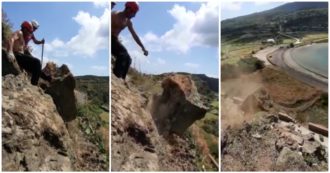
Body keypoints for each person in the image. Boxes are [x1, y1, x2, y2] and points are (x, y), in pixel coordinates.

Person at [111, 2, 148, 82]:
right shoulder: (114, 15)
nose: (134, 16)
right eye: (133, 13)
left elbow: (135, 35)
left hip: (115, 40)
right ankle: (116, 76)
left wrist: (143, 48)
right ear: (128, 9)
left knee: (128, 59)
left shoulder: (128, 21)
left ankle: (122, 78)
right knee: (123, 54)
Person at [7, 20, 51, 85]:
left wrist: (41, 42)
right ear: (25, 29)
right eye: (28, 31)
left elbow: (35, 41)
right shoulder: (19, 32)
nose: (29, 32)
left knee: (35, 68)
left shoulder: (29, 34)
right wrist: (10, 51)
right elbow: (11, 39)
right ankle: (34, 84)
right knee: (37, 62)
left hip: (22, 55)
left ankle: (47, 78)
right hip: (17, 55)